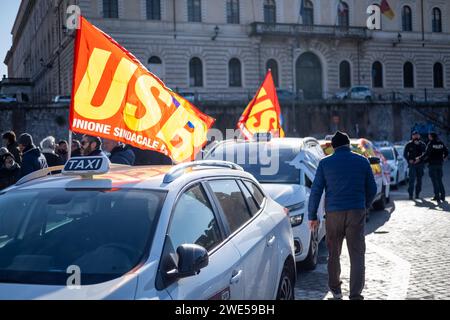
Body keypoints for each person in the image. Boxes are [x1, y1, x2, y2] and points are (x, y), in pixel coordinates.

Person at [308, 131, 377, 300]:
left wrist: (312, 216)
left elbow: (316, 191)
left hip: (333, 214)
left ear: (333, 146)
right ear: (348, 145)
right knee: (357, 254)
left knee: (333, 254)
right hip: (356, 211)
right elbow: (373, 189)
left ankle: (336, 290)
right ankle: (355, 294)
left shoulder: (325, 163)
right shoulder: (362, 161)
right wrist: (365, 206)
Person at [421, 132, 448, 202]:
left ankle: (437, 197)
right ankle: (443, 196)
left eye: (429, 136)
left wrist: (420, 159)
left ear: (432, 137)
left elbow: (427, 154)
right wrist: (443, 158)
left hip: (432, 165)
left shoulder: (430, 144)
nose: (428, 137)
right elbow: (446, 152)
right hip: (439, 164)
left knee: (434, 181)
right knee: (439, 180)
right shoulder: (441, 143)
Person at [403, 131, 427, 200]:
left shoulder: (423, 144)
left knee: (419, 181)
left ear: (419, 136)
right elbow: (405, 154)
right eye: (414, 135)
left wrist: (420, 159)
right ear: (412, 136)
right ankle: (410, 195)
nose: (416, 136)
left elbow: (425, 155)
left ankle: (417, 194)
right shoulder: (409, 144)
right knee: (411, 180)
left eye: (417, 135)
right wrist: (409, 160)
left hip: (420, 165)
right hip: (412, 165)